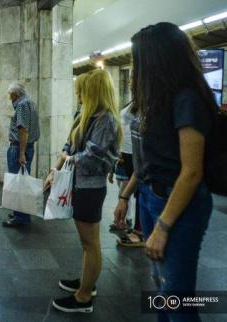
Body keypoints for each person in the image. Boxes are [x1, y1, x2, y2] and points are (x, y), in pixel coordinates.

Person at [114, 22, 216, 322]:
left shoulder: (187, 99)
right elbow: (149, 161)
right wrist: (125, 196)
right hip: (150, 195)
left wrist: (163, 227)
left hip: (177, 204)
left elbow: (191, 172)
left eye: (138, 60)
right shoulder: (156, 100)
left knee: (177, 295)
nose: (135, 68)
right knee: (161, 287)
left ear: (157, 60)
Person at [44, 69, 121, 313]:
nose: (77, 95)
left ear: (93, 92)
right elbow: (69, 144)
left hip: (91, 187)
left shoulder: (106, 120)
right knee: (86, 242)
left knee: (91, 243)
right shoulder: (86, 115)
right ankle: (87, 281)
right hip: (80, 184)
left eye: (81, 91)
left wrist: (69, 158)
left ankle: (84, 297)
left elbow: (92, 156)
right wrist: (55, 170)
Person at [2, 83, 40, 228]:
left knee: (19, 183)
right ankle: (20, 213)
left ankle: (21, 217)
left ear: (15, 95)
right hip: (25, 147)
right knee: (21, 181)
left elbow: (23, 130)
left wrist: (22, 153)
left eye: (9, 94)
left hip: (19, 148)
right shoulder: (29, 102)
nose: (9, 97)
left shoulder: (22, 105)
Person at [110, 101, 144, 247]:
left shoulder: (144, 102)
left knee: (140, 193)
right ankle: (129, 221)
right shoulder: (132, 102)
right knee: (124, 187)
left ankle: (138, 229)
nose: (130, 81)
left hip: (135, 153)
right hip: (126, 152)